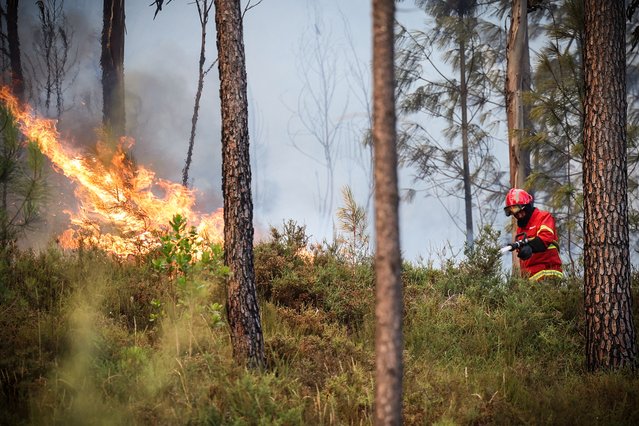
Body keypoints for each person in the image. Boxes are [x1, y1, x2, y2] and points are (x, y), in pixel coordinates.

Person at [504, 188, 564, 281]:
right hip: (530, 278)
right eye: (515, 214)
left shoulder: (543, 217)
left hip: (548, 273)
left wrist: (531, 247)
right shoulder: (521, 229)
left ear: (527, 206)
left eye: (520, 212)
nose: (519, 216)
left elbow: (545, 238)